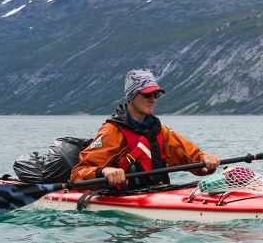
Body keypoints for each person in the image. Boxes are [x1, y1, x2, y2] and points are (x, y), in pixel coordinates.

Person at [72, 69, 220, 190]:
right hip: (125, 209)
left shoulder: (159, 130)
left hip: (158, 196)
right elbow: (77, 175)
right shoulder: (113, 131)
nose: (153, 99)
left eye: (156, 95)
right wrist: (103, 171)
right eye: (147, 94)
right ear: (131, 97)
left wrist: (206, 160)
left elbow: (194, 160)